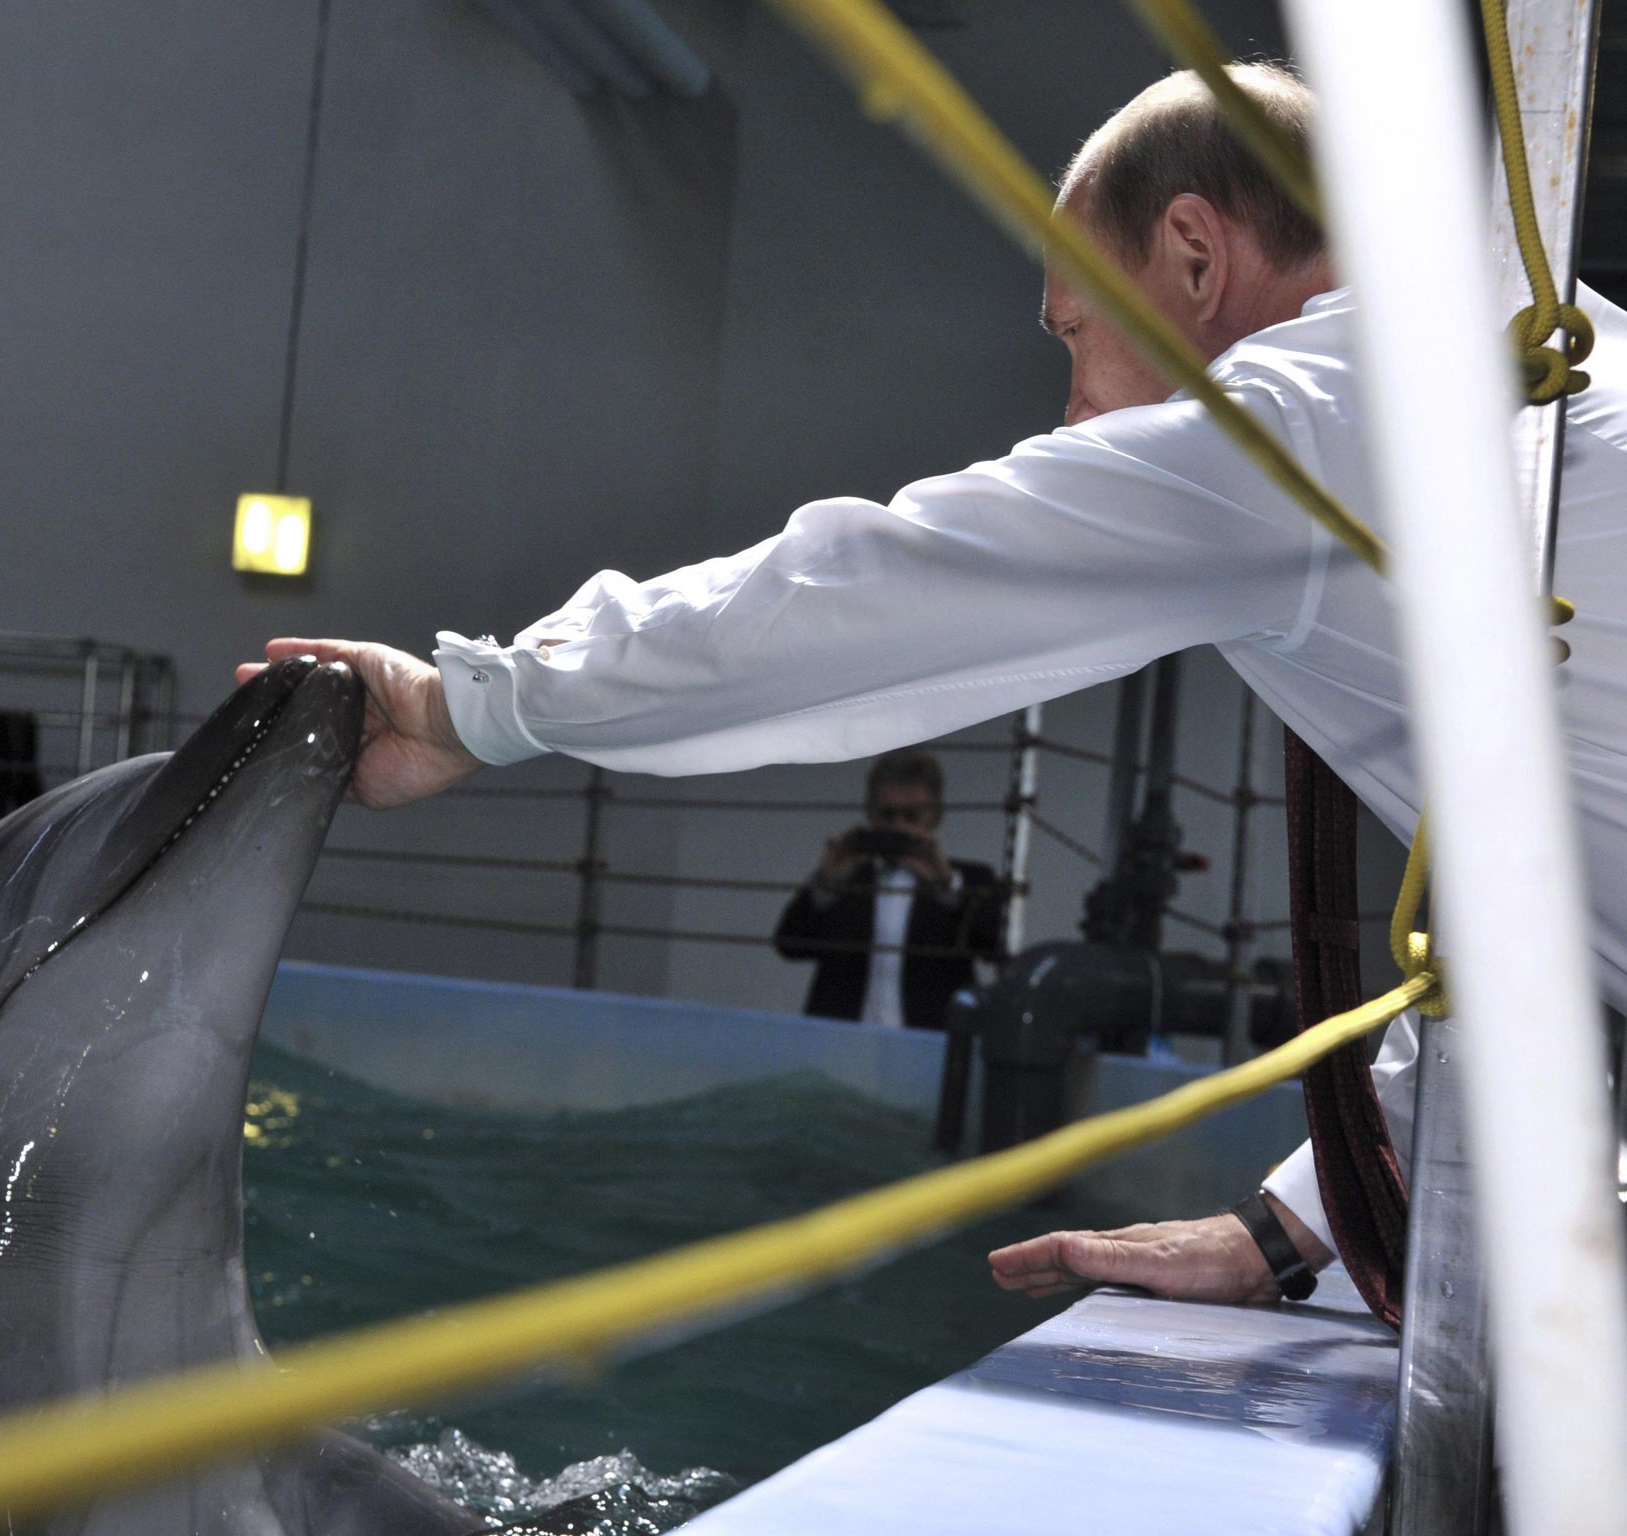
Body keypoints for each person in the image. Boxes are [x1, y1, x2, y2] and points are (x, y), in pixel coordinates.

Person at [239, 63, 1627, 1307]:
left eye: (1073, 334)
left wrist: (472, 708)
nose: (1070, 407)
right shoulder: (1536, 369)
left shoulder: (1306, 422)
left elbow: (871, 592)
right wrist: (1294, 1224)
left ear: (1197, 258)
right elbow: (1555, 907)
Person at [772, 749, 1004, 1030]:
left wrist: (948, 888)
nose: (898, 827)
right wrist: (825, 887)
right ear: (869, 813)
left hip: (930, 1046)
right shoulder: (844, 874)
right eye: (887, 815)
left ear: (935, 817)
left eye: (911, 816)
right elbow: (788, 946)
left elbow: (996, 949)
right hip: (841, 1043)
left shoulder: (972, 880)